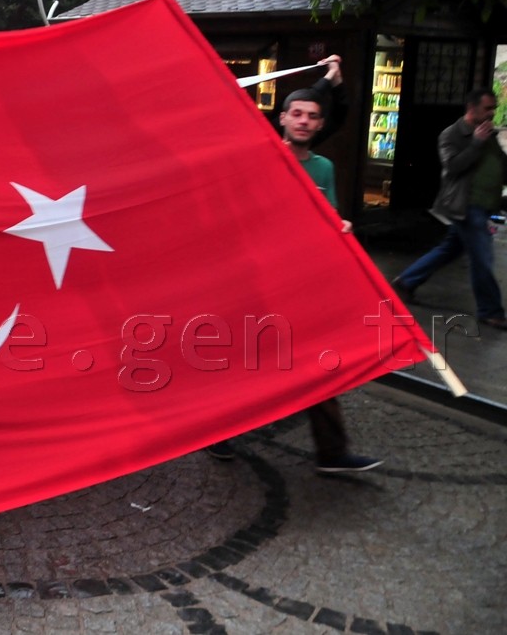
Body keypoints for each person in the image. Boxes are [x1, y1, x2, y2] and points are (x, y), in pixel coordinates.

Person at [208, 78, 382, 474]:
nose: (304, 121)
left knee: (319, 364)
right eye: (297, 114)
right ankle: (218, 431)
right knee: (246, 362)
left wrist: (341, 227)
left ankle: (332, 452)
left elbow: (328, 216)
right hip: (257, 281)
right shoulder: (260, 157)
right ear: (283, 118)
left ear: (320, 125)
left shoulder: (324, 168)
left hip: (304, 283)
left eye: (313, 117)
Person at [393, 88, 507, 328]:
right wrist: (476, 142)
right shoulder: (452, 134)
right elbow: (453, 166)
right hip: (466, 205)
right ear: (472, 108)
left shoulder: (489, 134)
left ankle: (405, 282)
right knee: (482, 257)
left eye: (493, 108)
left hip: (484, 205)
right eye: (488, 108)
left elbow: (498, 164)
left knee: (451, 248)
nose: (492, 113)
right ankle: (490, 310)